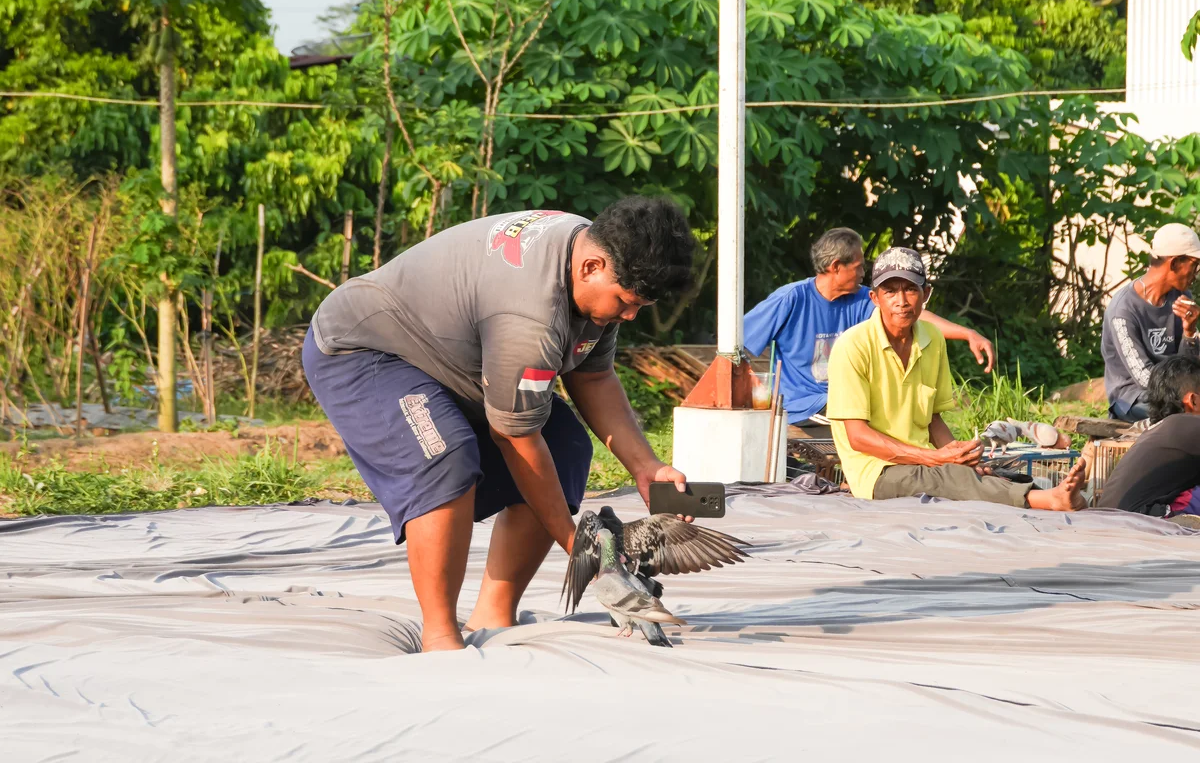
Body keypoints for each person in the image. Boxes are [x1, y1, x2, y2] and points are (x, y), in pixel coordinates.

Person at [302, 197, 696, 652]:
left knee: (566, 445)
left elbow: (594, 375)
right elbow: (514, 436)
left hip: (454, 360)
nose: (629, 316)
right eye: (626, 303)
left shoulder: (597, 250)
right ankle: (439, 635)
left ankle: (493, 614)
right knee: (445, 457)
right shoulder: (530, 315)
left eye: (639, 306)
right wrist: (580, 548)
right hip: (365, 350)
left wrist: (645, 466)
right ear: (592, 267)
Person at [826, 246, 1086, 510]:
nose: (901, 301)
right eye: (890, 291)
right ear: (874, 298)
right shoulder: (853, 345)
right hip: (875, 471)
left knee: (984, 472)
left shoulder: (933, 338)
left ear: (925, 294)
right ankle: (1050, 499)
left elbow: (933, 420)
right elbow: (857, 437)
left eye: (911, 289)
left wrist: (960, 457)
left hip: (924, 460)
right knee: (945, 476)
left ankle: (1054, 493)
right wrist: (936, 459)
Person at [743, 228, 995, 434]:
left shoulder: (863, 298)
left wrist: (967, 333)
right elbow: (737, 342)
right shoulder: (791, 298)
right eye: (859, 267)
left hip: (849, 398)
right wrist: (754, 383)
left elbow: (911, 313)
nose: (864, 274)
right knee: (882, 413)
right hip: (805, 405)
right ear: (835, 267)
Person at [1103, 223, 1200, 422]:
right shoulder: (1123, 310)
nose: (1196, 273)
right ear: (1174, 263)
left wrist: (1189, 331)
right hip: (1134, 398)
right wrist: (1187, 396)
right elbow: (1143, 377)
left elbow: (1185, 365)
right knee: (1185, 412)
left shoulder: (1180, 297)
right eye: (1194, 265)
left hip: (1176, 390)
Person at [1098, 354, 1200, 519]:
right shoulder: (1188, 425)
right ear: (1193, 401)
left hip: (1111, 521)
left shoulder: (1164, 428)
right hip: (1140, 520)